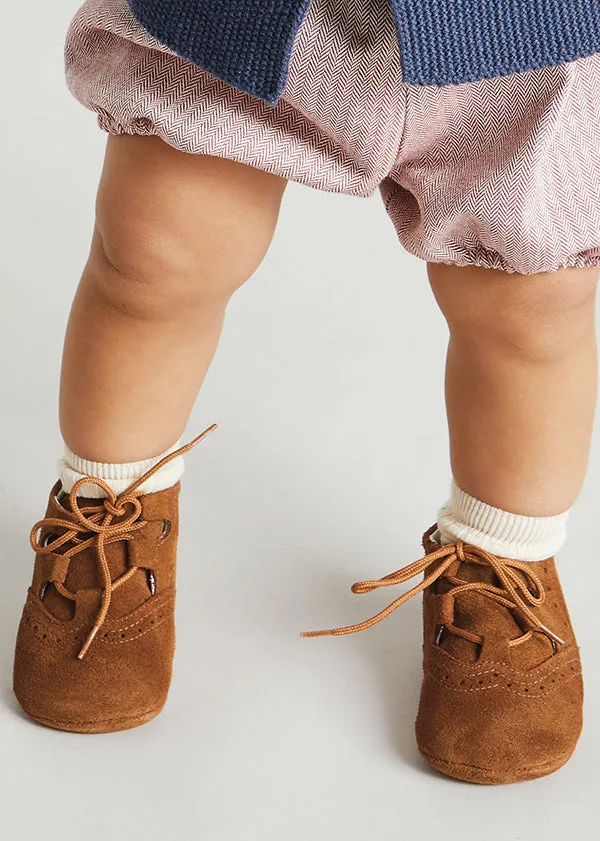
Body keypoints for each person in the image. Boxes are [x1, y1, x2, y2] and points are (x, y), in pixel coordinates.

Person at [12, 0, 600, 784]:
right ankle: (109, 509)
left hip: (525, 31)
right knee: (155, 248)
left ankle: (506, 561)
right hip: (249, 16)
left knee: (536, 306)